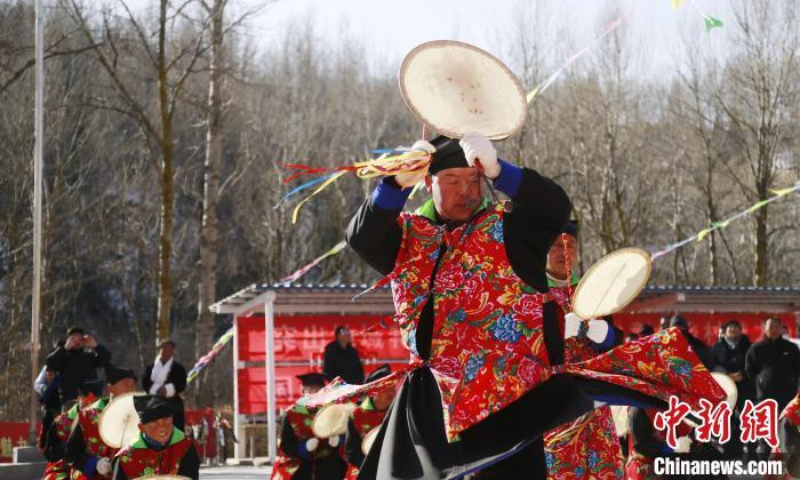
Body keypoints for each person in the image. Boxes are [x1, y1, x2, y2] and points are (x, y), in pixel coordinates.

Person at [343, 132, 725, 479]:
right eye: (452, 181)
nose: (466, 191)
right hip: (433, 407)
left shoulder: (508, 230)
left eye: (473, 180)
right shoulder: (408, 238)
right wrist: (393, 185)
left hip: (512, 403)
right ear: (428, 184)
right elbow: (361, 237)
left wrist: (500, 171)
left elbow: (554, 207)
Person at [540, 221, 625, 480]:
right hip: (555, 400)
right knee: (563, 466)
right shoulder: (533, 292)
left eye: (571, 246)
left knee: (604, 467)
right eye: (556, 245)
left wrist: (605, 335)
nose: (564, 252)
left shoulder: (591, 292)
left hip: (593, 398)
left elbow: (616, 343)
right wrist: (555, 335)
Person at [64, 366, 137, 480]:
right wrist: (95, 464)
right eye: (126, 385)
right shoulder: (87, 416)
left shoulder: (141, 417)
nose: (131, 390)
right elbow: (70, 454)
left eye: (133, 386)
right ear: (111, 388)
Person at [271, 372, 348, 480]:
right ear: (303, 391)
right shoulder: (291, 414)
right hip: (302, 465)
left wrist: (338, 440)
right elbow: (286, 445)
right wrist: (304, 447)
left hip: (329, 465)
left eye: (318, 390)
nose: (314, 393)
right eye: (310, 389)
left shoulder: (332, 410)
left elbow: (348, 437)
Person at [745, 317, 800, 458]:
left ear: (782, 329)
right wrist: (762, 381)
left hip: (787, 396)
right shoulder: (757, 348)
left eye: (777, 326)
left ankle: (788, 461)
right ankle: (765, 461)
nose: (774, 329)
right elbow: (750, 370)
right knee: (766, 429)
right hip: (765, 396)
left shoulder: (791, 348)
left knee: (787, 429)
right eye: (771, 327)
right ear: (765, 329)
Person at [111, 395, 200, 480]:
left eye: (166, 419)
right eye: (154, 421)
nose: (162, 426)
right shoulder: (125, 458)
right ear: (141, 428)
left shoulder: (185, 447)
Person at [41, 380, 103, 480]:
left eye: (94, 403)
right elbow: (50, 453)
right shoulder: (60, 423)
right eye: (86, 400)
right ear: (79, 398)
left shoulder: (103, 420)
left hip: (97, 467)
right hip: (63, 468)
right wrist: (70, 448)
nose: (90, 406)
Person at [344, 365, 396, 479]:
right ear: (373, 392)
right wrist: (372, 465)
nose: (392, 392)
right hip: (365, 470)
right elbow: (350, 453)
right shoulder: (357, 416)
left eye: (393, 387)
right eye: (387, 388)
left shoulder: (398, 412)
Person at [711, 320, 753, 457]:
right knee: (726, 419)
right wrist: (726, 375)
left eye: (736, 327)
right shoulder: (717, 347)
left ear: (740, 330)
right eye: (730, 328)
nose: (733, 330)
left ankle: (747, 452)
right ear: (725, 331)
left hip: (745, 387)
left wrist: (743, 374)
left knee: (746, 418)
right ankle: (729, 451)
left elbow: (754, 365)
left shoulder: (749, 347)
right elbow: (712, 365)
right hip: (725, 389)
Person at [46, 327, 112, 409]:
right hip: (70, 402)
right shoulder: (63, 356)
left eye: (80, 338)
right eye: (74, 338)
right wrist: (65, 348)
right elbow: (50, 362)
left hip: (90, 400)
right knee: (69, 417)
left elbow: (106, 358)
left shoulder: (89, 356)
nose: (77, 341)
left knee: (93, 416)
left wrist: (96, 346)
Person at [143, 340, 188, 430]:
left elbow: (182, 384)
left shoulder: (178, 368)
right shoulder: (150, 368)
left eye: (169, 349)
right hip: (154, 402)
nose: (166, 351)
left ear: (173, 351)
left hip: (173, 403)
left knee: (175, 429)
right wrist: (157, 389)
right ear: (159, 350)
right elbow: (145, 382)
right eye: (164, 348)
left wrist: (167, 389)